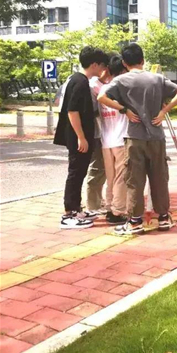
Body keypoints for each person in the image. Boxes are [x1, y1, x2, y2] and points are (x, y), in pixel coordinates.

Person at [98, 43, 177, 235]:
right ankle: (163, 218)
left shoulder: (121, 80)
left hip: (134, 137)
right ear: (143, 60)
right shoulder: (157, 79)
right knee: (159, 178)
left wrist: (124, 109)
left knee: (134, 180)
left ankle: (135, 222)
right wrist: (163, 111)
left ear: (124, 62)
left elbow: (101, 97)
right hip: (156, 136)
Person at [54, 46, 108, 229]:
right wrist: (81, 137)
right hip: (77, 136)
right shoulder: (80, 82)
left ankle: (76, 209)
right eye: (102, 65)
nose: (103, 69)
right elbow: (72, 110)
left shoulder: (76, 79)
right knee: (76, 173)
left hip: (77, 135)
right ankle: (69, 214)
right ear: (94, 64)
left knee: (79, 172)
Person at [97, 55, 129, 225]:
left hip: (106, 140)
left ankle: (110, 207)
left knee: (111, 177)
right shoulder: (122, 87)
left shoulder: (104, 88)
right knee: (121, 177)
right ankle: (118, 211)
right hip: (120, 139)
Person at [85, 62, 110, 215]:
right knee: (97, 169)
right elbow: (92, 111)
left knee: (103, 171)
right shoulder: (93, 86)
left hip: (106, 134)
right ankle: (92, 205)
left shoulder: (104, 84)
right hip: (97, 134)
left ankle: (98, 201)